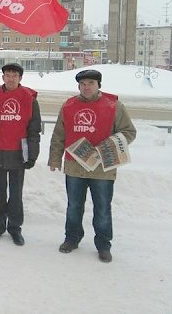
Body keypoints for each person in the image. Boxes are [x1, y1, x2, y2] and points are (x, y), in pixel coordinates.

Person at [48, 69, 136, 263]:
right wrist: (55, 159)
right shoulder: (69, 105)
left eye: (91, 83)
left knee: (103, 208)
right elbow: (58, 135)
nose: (86, 87)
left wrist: (107, 147)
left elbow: (129, 132)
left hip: (102, 169)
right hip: (74, 167)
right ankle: (72, 238)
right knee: (74, 207)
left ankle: (104, 245)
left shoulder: (114, 105)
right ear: (79, 86)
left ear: (99, 85)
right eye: (83, 84)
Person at [0, 63, 41, 246]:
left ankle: (15, 228)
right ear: (3, 77)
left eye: (14, 75)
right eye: (7, 75)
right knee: (0, 193)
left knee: (16, 194)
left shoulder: (29, 97)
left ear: (20, 78)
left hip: (18, 152)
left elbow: (34, 128)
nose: (10, 78)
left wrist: (32, 153)